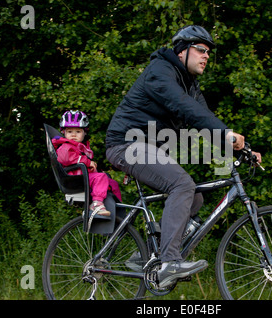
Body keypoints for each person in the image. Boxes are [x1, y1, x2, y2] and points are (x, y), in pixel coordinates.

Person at [105, 26, 261, 288]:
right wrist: (226, 133)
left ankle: (147, 257)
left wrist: (243, 148)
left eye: (208, 52)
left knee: (194, 196)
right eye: (201, 50)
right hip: (126, 145)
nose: (206, 56)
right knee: (182, 185)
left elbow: (204, 120)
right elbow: (184, 107)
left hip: (147, 148)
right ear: (182, 51)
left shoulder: (189, 85)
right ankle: (169, 262)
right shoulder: (160, 72)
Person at [53, 110, 122, 216]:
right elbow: (66, 158)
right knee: (101, 177)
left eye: (78, 132)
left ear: (85, 132)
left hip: (84, 175)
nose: (74, 135)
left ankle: (118, 211)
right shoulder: (66, 146)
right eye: (70, 132)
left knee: (112, 183)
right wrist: (87, 162)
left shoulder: (79, 147)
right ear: (64, 132)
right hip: (76, 178)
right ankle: (97, 203)